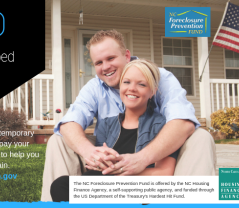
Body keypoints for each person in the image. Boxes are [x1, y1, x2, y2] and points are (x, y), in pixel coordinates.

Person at [41, 30, 216, 202]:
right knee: (58, 141)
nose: (105, 67)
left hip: (149, 164)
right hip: (108, 169)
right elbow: (69, 122)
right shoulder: (95, 88)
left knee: (201, 137)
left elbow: (183, 121)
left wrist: (140, 160)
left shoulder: (158, 77)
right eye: (98, 62)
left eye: (110, 58)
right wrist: (90, 153)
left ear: (126, 55)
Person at [50, 59, 179, 202]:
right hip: (100, 188)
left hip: (136, 191)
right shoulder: (107, 123)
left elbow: (164, 174)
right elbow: (98, 169)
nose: (132, 88)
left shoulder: (162, 126)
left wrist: (119, 174)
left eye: (141, 84)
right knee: (60, 185)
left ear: (152, 92)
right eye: (127, 82)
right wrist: (99, 162)